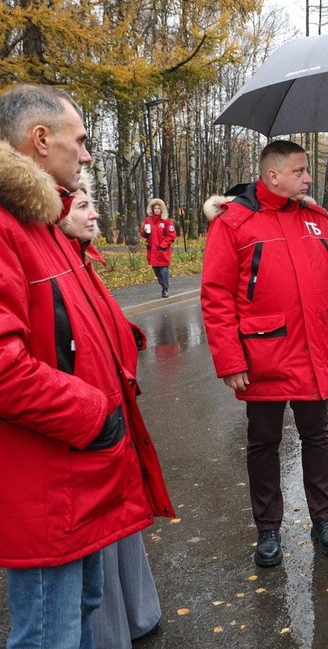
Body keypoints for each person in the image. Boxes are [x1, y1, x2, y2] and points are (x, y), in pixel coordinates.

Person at [0, 83, 173, 648]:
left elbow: (71, 324)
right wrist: (97, 415)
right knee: (53, 631)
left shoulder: (46, 224)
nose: (88, 153)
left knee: (81, 614)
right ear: (40, 139)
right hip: (49, 487)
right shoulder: (9, 227)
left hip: (81, 477)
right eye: (80, 139)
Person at [201, 139, 328, 567]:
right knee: (263, 443)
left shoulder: (315, 218)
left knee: (317, 438)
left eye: (306, 171)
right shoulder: (234, 224)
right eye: (300, 171)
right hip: (264, 357)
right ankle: (268, 529)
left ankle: (324, 520)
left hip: (313, 351)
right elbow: (215, 296)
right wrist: (230, 359)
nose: (307, 178)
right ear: (273, 176)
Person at [60, 174, 164, 647]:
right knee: (102, 534)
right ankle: (113, 632)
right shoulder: (61, 265)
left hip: (110, 416)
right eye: (81, 206)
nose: (93, 213)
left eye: (90, 204)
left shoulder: (84, 263)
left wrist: (125, 336)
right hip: (87, 424)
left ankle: (137, 617)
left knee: (123, 524)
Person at [140, 198, 176, 298]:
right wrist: (145, 232)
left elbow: (171, 235)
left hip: (162, 250)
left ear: (162, 210)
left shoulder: (166, 221)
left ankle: (165, 289)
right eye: (155, 208)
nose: (156, 210)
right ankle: (162, 284)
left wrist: (163, 245)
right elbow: (143, 233)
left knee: (164, 269)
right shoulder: (148, 220)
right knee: (156, 269)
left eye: (158, 208)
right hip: (152, 250)